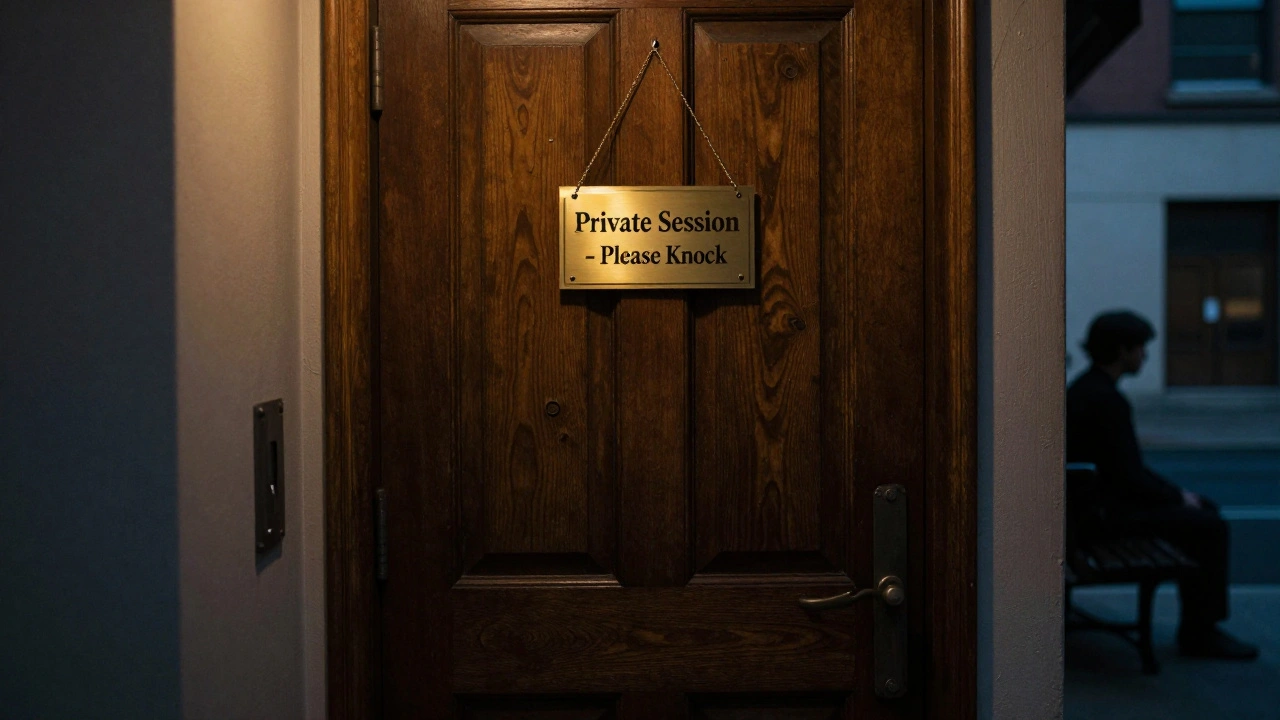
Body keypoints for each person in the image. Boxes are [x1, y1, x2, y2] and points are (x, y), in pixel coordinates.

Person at [1066, 310, 1258, 660]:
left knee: (1201, 514)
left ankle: (1201, 627)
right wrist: (1178, 498)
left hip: (1088, 513)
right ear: (1122, 350)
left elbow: (1126, 470)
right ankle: (1200, 632)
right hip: (1099, 520)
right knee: (1209, 526)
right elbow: (1128, 476)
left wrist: (1179, 496)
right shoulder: (1105, 401)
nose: (1145, 356)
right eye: (1140, 348)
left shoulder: (1089, 390)